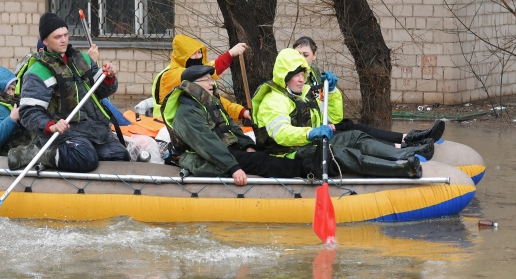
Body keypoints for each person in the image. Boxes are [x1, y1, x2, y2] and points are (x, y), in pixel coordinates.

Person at [251, 48, 431, 178]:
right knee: (341, 153)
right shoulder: (273, 101)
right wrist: (310, 133)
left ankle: (405, 154)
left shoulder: (304, 93)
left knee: (355, 136)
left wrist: (332, 92)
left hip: (310, 141)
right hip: (287, 154)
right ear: (284, 75)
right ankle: (403, 169)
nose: (301, 79)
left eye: (302, 74)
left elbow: (334, 118)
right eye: (295, 75)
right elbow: (281, 134)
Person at [17, 12, 130, 172]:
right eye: (57, 37)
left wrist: (109, 77)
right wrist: (51, 126)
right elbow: (28, 113)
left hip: (94, 129)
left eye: (65, 35)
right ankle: (41, 153)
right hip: (65, 133)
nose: (63, 40)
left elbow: (104, 91)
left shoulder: (82, 58)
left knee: (121, 156)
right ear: (45, 41)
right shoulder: (37, 72)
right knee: (85, 158)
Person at [163, 65, 306, 185]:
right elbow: (206, 143)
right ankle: (307, 171)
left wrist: (247, 145)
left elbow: (231, 126)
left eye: (211, 79)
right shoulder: (187, 113)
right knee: (261, 161)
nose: (212, 83)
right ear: (192, 85)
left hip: (227, 152)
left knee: (261, 156)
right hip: (204, 158)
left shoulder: (209, 104)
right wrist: (233, 167)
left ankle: (305, 167)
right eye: (207, 80)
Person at [292, 36, 445, 147]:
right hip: (309, 133)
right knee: (357, 134)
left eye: (305, 55)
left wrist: (331, 92)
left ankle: (408, 138)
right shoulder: (292, 78)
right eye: (297, 55)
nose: (301, 59)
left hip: (320, 126)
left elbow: (333, 116)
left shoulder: (315, 76)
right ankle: (405, 146)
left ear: (315, 55)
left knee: (356, 126)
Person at [151, 34, 251, 121]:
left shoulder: (200, 76)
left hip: (193, 125)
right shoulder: (170, 75)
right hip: (166, 128)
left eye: (199, 52)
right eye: (193, 54)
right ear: (182, 57)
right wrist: (229, 55)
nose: (198, 57)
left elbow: (216, 103)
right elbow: (194, 73)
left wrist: (242, 112)